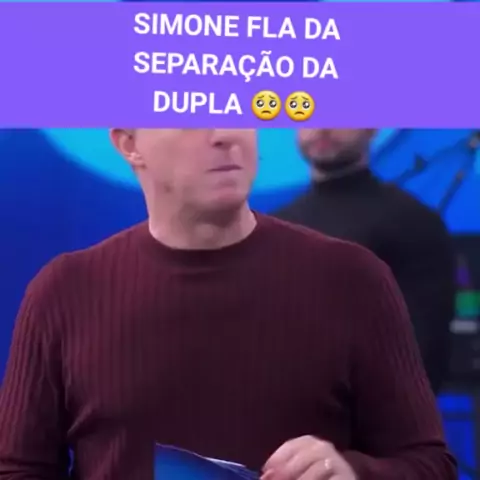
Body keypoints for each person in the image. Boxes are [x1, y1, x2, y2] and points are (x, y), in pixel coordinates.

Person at [0, 129, 456, 480]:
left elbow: (429, 464)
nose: (223, 134)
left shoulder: (353, 278)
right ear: (129, 143)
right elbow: (18, 469)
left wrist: (353, 473)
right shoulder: (63, 292)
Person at [276, 128, 456, 395]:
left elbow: (424, 352)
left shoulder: (414, 223)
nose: (322, 126)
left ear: (372, 127)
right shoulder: (277, 225)